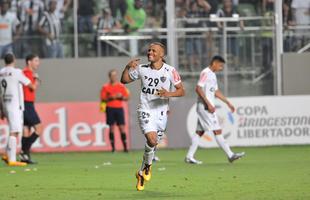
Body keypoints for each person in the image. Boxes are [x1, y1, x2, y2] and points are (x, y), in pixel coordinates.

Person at [120, 42, 185, 191]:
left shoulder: (170, 71)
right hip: (145, 109)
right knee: (152, 139)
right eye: (149, 50)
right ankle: (148, 166)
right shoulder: (142, 69)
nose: (150, 52)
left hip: (161, 114)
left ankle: (141, 172)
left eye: (154, 51)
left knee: (153, 144)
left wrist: (169, 93)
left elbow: (181, 91)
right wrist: (127, 67)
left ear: (161, 54)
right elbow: (124, 80)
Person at [185, 55, 245, 164]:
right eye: (220, 66)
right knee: (217, 130)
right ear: (214, 63)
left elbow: (215, 92)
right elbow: (198, 88)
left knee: (199, 132)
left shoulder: (212, 75)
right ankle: (230, 155)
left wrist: (227, 102)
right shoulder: (206, 73)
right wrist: (208, 104)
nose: (221, 68)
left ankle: (189, 156)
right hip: (205, 107)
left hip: (206, 107)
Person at [0, 53, 34, 166]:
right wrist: (36, 80)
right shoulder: (17, 72)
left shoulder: (1, 72)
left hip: (5, 104)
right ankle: (12, 159)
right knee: (15, 131)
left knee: (13, 131)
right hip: (15, 105)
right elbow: (30, 85)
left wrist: (1, 109)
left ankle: (6, 153)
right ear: (14, 60)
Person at [19, 54, 42, 164]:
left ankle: (24, 156)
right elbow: (32, 87)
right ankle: (24, 151)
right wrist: (36, 79)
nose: (38, 63)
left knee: (26, 130)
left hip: (26, 104)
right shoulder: (27, 73)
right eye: (36, 60)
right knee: (39, 128)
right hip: (27, 104)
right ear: (29, 62)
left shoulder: (26, 73)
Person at [101, 69, 129, 152]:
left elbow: (126, 97)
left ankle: (125, 147)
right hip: (110, 108)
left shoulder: (121, 86)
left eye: (115, 75)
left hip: (119, 108)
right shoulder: (105, 87)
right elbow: (103, 98)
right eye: (112, 75)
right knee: (111, 128)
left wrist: (121, 97)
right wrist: (110, 97)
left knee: (121, 128)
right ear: (109, 77)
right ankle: (113, 148)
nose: (114, 77)